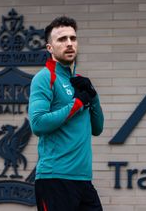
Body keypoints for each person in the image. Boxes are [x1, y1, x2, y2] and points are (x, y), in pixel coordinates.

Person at [28, 16, 104, 211]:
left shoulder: (80, 82)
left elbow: (98, 128)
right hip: (54, 179)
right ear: (50, 48)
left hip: (83, 180)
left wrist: (93, 97)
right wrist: (77, 103)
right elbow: (37, 124)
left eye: (73, 38)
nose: (69, 43)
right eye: (62, 39)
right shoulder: (44, 78)